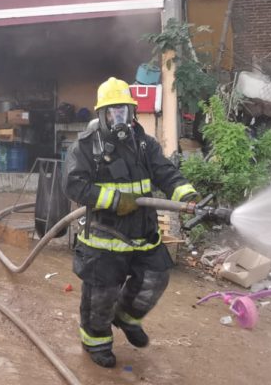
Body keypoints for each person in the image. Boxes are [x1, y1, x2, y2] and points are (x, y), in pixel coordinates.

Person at [63, 77, 199, 368]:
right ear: (102, 114)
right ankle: (96, 343)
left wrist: (187, 196)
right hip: (105, 238)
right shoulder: (87, 147)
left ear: (132, 112)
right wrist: (113, 200)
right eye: (112, 112)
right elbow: (74, 186)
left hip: (142, 234)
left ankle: (126, 318)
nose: (119, 118)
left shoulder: (144, 144)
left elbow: (166, 173)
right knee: (102, 294)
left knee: (155, 278)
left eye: (123, 111)